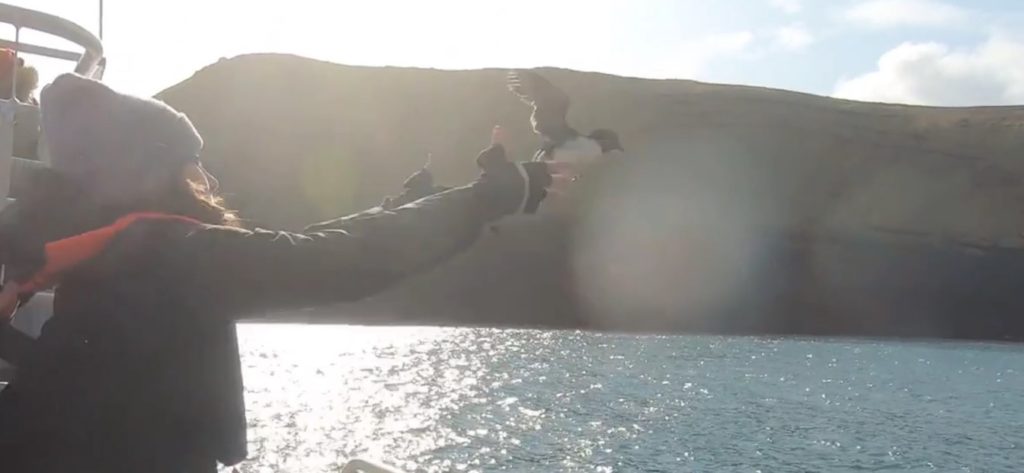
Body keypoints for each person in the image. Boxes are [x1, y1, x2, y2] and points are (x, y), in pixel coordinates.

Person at [0, 73, 587, 472]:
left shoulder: (73, 250)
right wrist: (491, 195)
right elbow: (334, 258)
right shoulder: (168, 253)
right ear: (148, 170)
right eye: (189, 165)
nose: (202, 180)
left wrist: (402, 204)